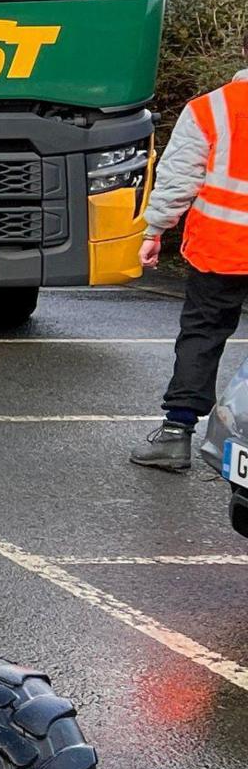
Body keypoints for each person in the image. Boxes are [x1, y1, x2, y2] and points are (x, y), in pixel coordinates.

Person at [132, 36, 248, 472]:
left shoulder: (210, 109)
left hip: (219, 249)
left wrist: (155, 229)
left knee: (202, 336)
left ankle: (176, 435)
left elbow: (179, 176)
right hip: (219, 247)